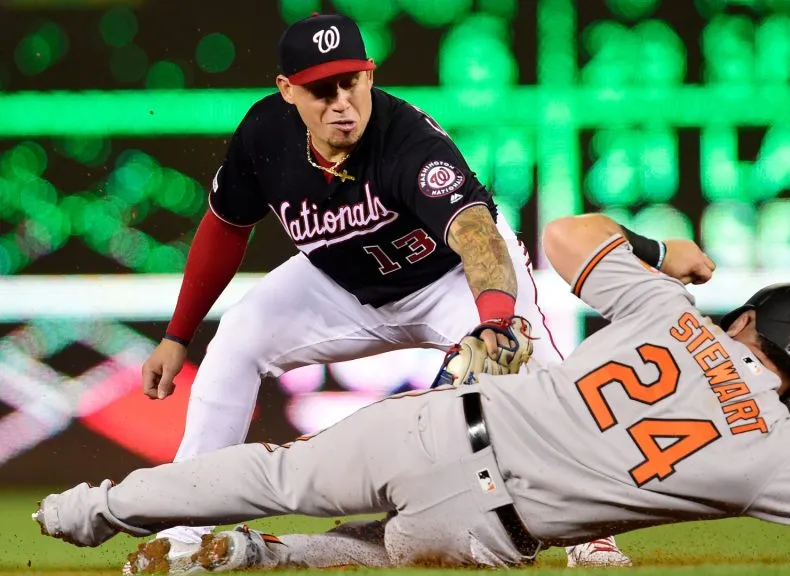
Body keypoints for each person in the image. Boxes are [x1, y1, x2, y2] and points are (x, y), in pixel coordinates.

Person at [35, 213, 790, 570]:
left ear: (738, 323)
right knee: (384, 560)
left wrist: (663, 255)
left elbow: (563, 238)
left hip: (439, 425)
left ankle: (92, 510)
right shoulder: (784, 451)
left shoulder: (673, 316)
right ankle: (252, 561)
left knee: (276, 469)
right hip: (485, 534)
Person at [136, 9, 628, 569]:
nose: (341, 101)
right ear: (287, 90)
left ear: (369, 77)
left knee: (535, 376)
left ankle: (590, 531)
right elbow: (226, 227)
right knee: (238, 338)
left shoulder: (409, 141)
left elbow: (476, 236)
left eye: (351, 82)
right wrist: (177, 335)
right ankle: (184, 533)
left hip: (447, 281)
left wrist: (494, 319)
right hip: (341, 283)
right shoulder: (264, 135)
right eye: (321, 89)